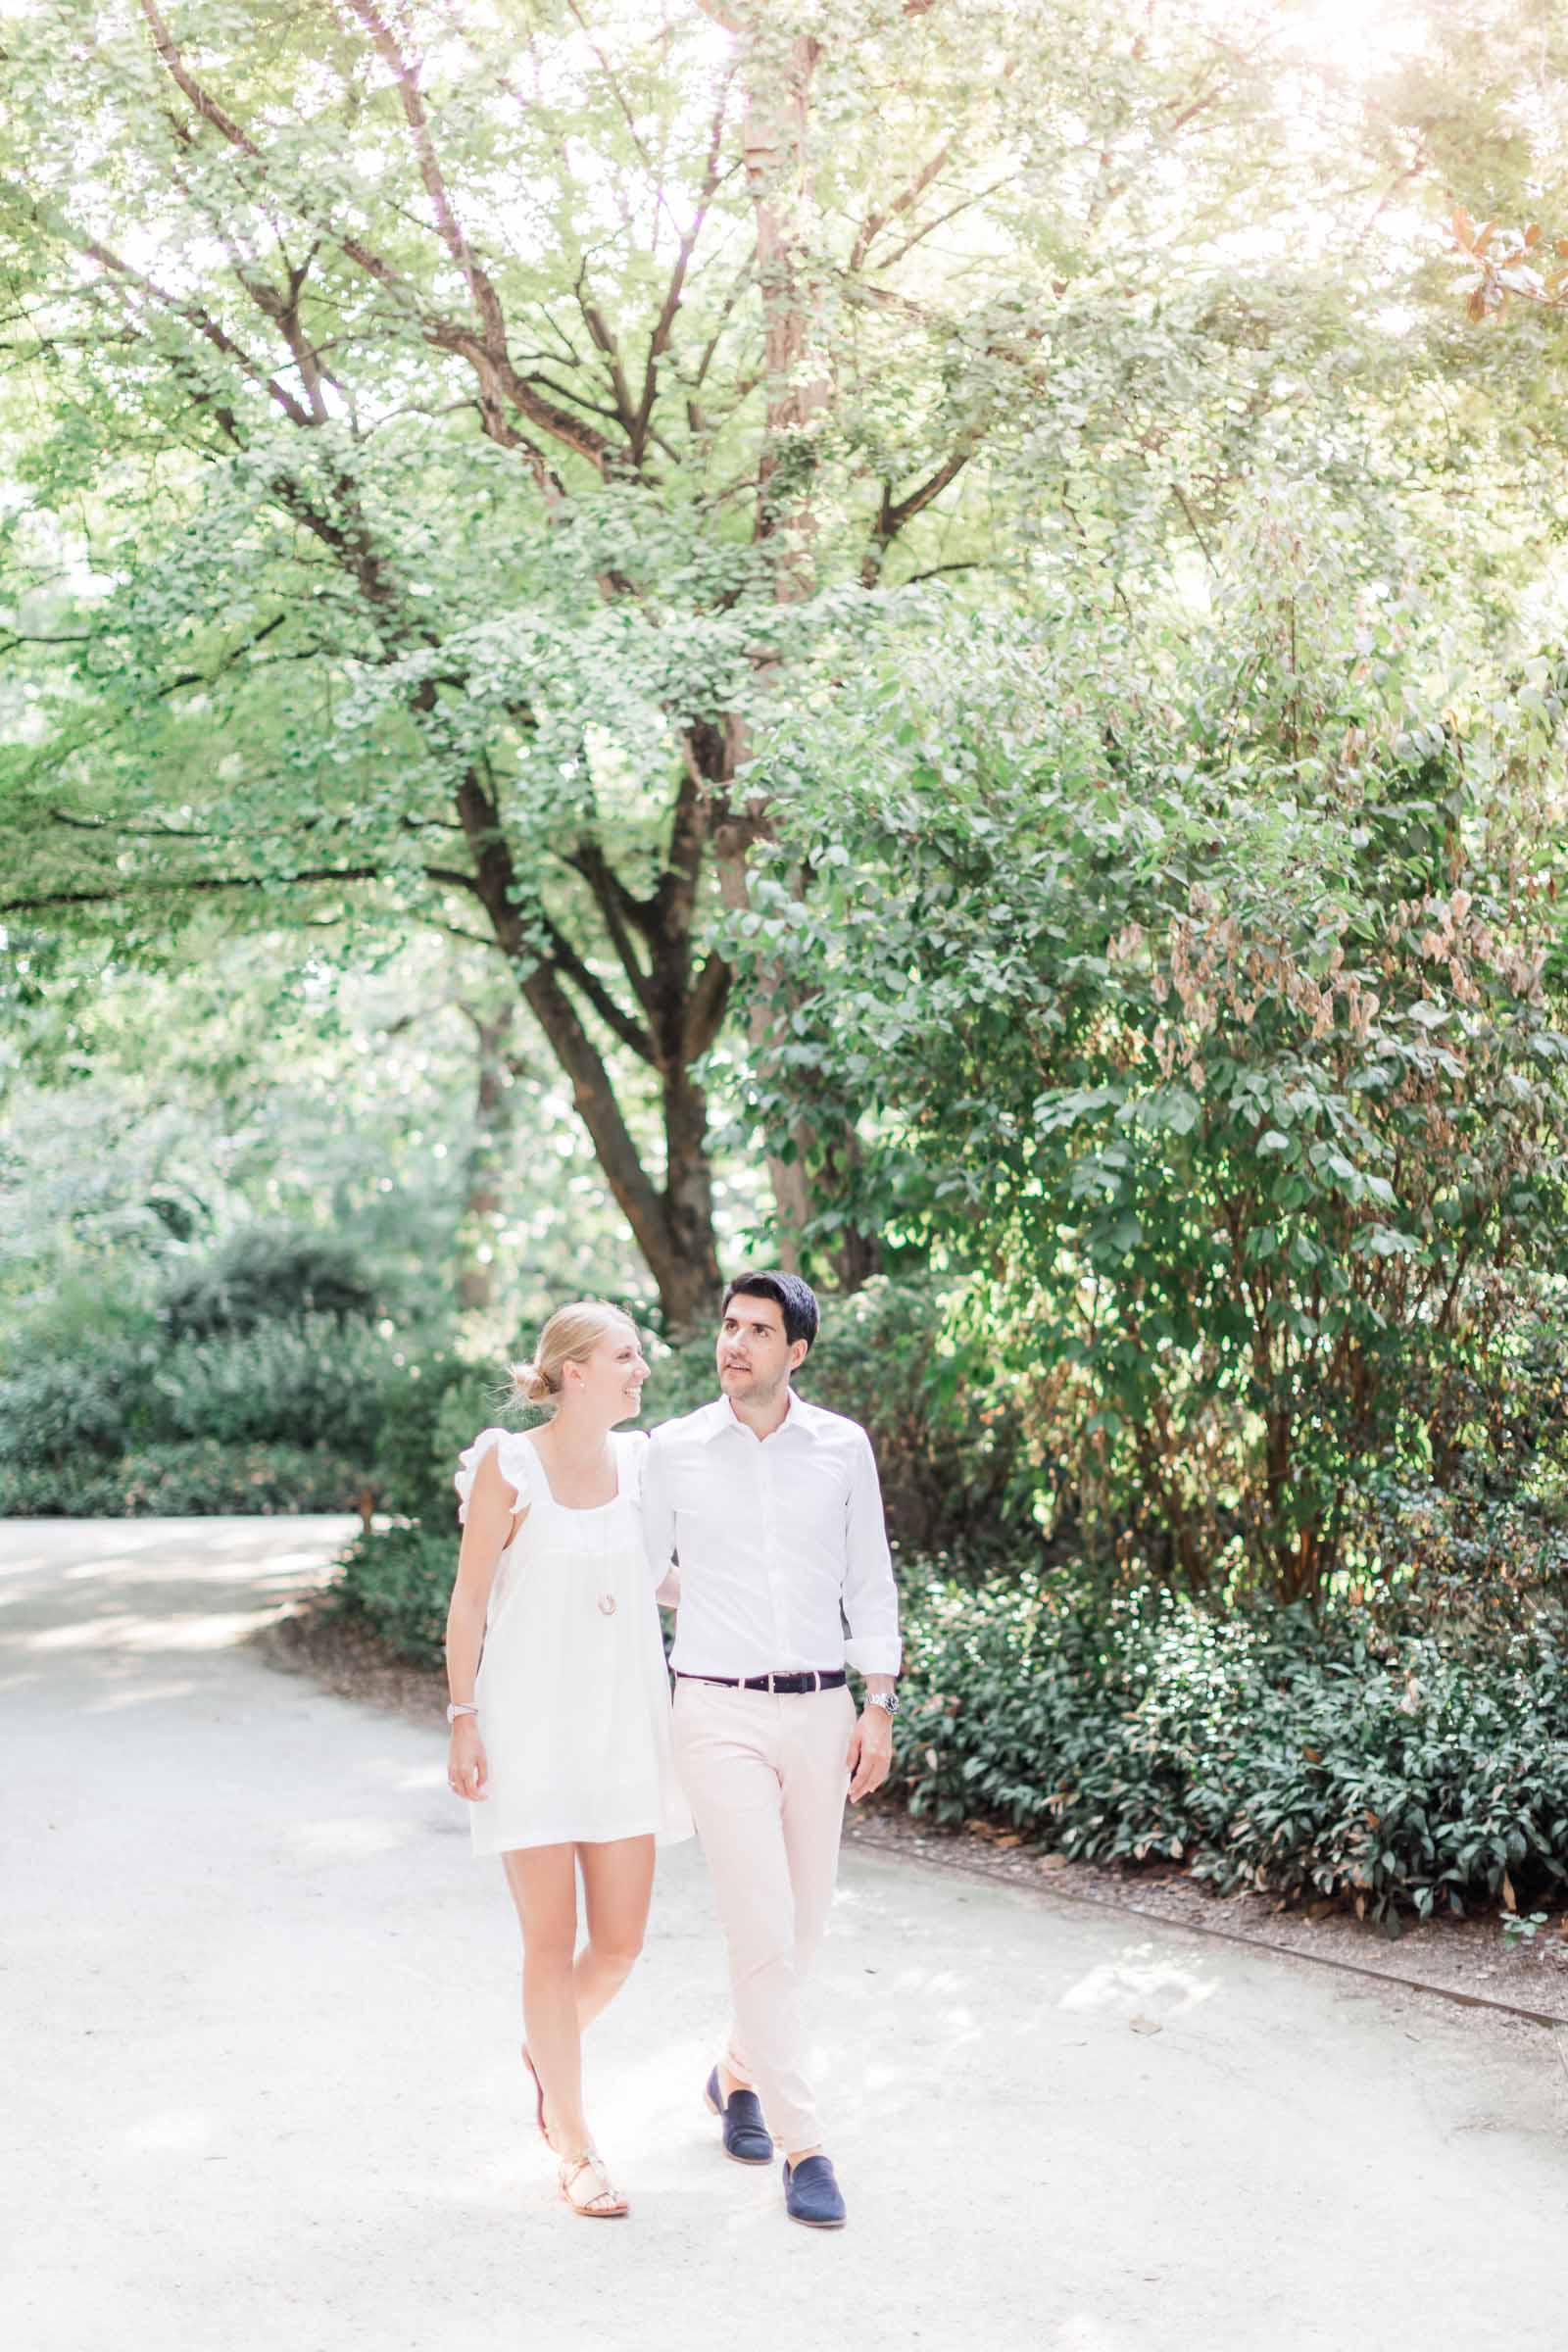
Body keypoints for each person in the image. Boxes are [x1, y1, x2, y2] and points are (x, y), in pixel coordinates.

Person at [642, 1270, 901, 2230]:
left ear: (796, 1351)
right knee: (758, 1922)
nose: (734, 1342)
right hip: (713, 1711)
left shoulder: (841, 1447)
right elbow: (638, 1568)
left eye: (758, 1330)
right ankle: (806, 2142)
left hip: (818, 1711)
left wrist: (877, 1701)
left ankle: (736, 2075)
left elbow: (868, 1583)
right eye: (729, 1325)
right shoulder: (672, 1450)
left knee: (803, 1928)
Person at [445, 1301, 691, 2220]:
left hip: (625, 1727)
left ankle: (546, 2054)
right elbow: (470, 1602)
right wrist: (463, 1717)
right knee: (549, 1943)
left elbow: (655, 1575)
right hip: (526, 1732)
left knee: (620, 1946)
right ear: (575, 1370)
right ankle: (576, 2144)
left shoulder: (644, 1465)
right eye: (627, 1356)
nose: (642, 1370)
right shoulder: (507, 1465)